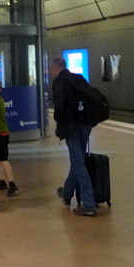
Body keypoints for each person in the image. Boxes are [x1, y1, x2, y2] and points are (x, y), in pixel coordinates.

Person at [49, 57, 98, 217]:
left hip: (71, 127)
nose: (51, 72)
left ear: (56, 68)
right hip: (86, 125)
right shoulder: (79, 78)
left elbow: (60, 107)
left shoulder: (59, 83)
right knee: (77, 161)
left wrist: (57, 119)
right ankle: (67, 194)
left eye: (52, 69)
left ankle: (89, 203)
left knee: (78, 164)